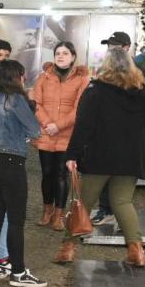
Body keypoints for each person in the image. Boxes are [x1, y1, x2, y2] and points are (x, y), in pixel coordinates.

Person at [54, 48, 145, 267]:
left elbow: (83, 126)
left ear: (107, 65)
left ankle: (68, 249)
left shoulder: (95, 90)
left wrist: (72, 154)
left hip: (99, 156)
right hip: (131, 158)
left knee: (83, 202)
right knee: (123, 201)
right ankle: (136, 251)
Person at [0, 59, 45, 287]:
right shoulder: (16, 99)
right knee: (16, 220)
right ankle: (18, 273)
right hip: (12, 162)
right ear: (17, 77)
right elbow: (35, 130)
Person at [32, 42, 90, 230]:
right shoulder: (43, 77)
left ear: (73, 57)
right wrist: (47, 124)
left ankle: (59, 213)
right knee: (47, 173)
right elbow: (36, 103)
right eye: (58, 53)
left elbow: (80, 108)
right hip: (46, 132)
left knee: (61, 174)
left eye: (65, 53)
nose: (61, 56)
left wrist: (58, 125)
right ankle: (47, 210)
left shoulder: (82, 79)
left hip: (67, 134)